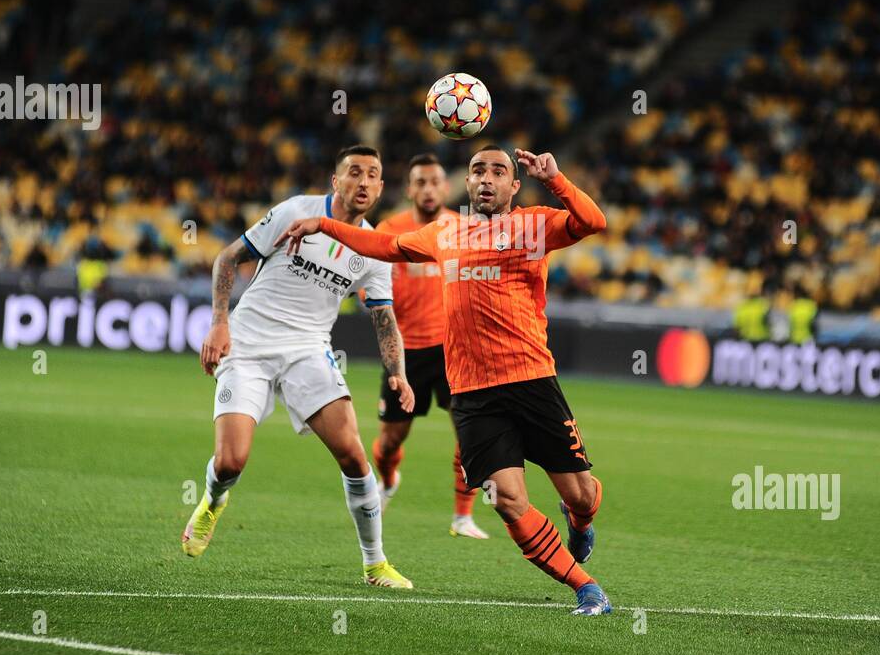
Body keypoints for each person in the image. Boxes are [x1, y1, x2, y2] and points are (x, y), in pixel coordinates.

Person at [276, 145, 613, 615]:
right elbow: (386, 248)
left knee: (581, 494)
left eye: (499, 171)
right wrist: (324, 224)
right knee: (508, 500)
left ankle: (580, 522)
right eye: (478, 170)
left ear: (514, 186)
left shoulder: (534, 225)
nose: (487, 178)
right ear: (467, 184)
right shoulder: (446, 232)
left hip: (532, 380)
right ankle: (587, 588)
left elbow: (593, 222)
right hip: (473, 394)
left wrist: (556, 180)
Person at [186, 145, 416, 588]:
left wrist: (398, 373)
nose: (363, 182)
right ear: (336, 181)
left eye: (372, 175)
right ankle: (214, 499)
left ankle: (375, 563)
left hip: (308, 350)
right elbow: (227, 258)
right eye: (354, 172)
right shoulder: (296, 210)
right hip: (248, 344)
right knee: (231, 461)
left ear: (382, 187)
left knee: (353, 454)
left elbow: (384, 318)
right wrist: (219, 324)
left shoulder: (373, 250)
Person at [371, 153, 489, 540]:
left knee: (468, 434)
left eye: (434, 181)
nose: (427, 188)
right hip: (404, 354)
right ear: (408, 189)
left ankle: (462, 517)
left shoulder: (464, 228)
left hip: (455, 349)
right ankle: (388, 481)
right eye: (419, 182)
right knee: (390, 441)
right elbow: (369, 278)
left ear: (445, 187)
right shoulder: (390, 229)